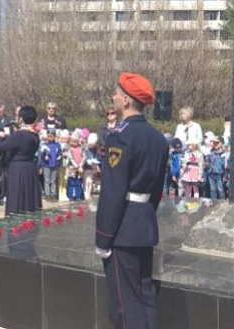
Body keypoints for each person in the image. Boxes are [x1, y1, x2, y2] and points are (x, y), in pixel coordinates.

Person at [95, 72, 168, 329]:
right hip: (144, 224)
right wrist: (144, 213)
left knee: (124, 304)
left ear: (126, 101)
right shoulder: (158, 139)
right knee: (145, 294)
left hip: (122, 230)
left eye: (117, 93)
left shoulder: (120, 136)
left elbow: (112, 193)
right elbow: (158, 189)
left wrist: (103, 238)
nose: (114, 96)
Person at [0, 106, 42, 215]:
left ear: (21, 119)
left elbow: (0, 147)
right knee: (29, 197)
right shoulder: (35, 135)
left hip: (17, 168)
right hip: (30, 167)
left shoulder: (19, 135)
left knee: (17, 196)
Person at [40, 129, 62, 200]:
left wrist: (59, 158)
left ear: (54, 136)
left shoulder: (57, 145)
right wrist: (44, 157)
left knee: (53, 180)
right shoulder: (44, 145)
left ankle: (53, 194)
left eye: (52, 136)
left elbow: (59, 153)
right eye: (49, 136)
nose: (50, 138)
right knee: (47, 180)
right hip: (46, 165)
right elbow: (41, 154)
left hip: (55, 165)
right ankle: (47, 194)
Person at [83, 133, 101, 200]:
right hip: (86, 167)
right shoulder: (85, 148)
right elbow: (84, 157)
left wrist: (96, 165)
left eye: (93, 145)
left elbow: (96, 157)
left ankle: (89, 193)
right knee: (86, 181)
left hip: (92, 167)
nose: (91, 146)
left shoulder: (95, 149)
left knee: (90, 181)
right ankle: (86, 194)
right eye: (90, 145)